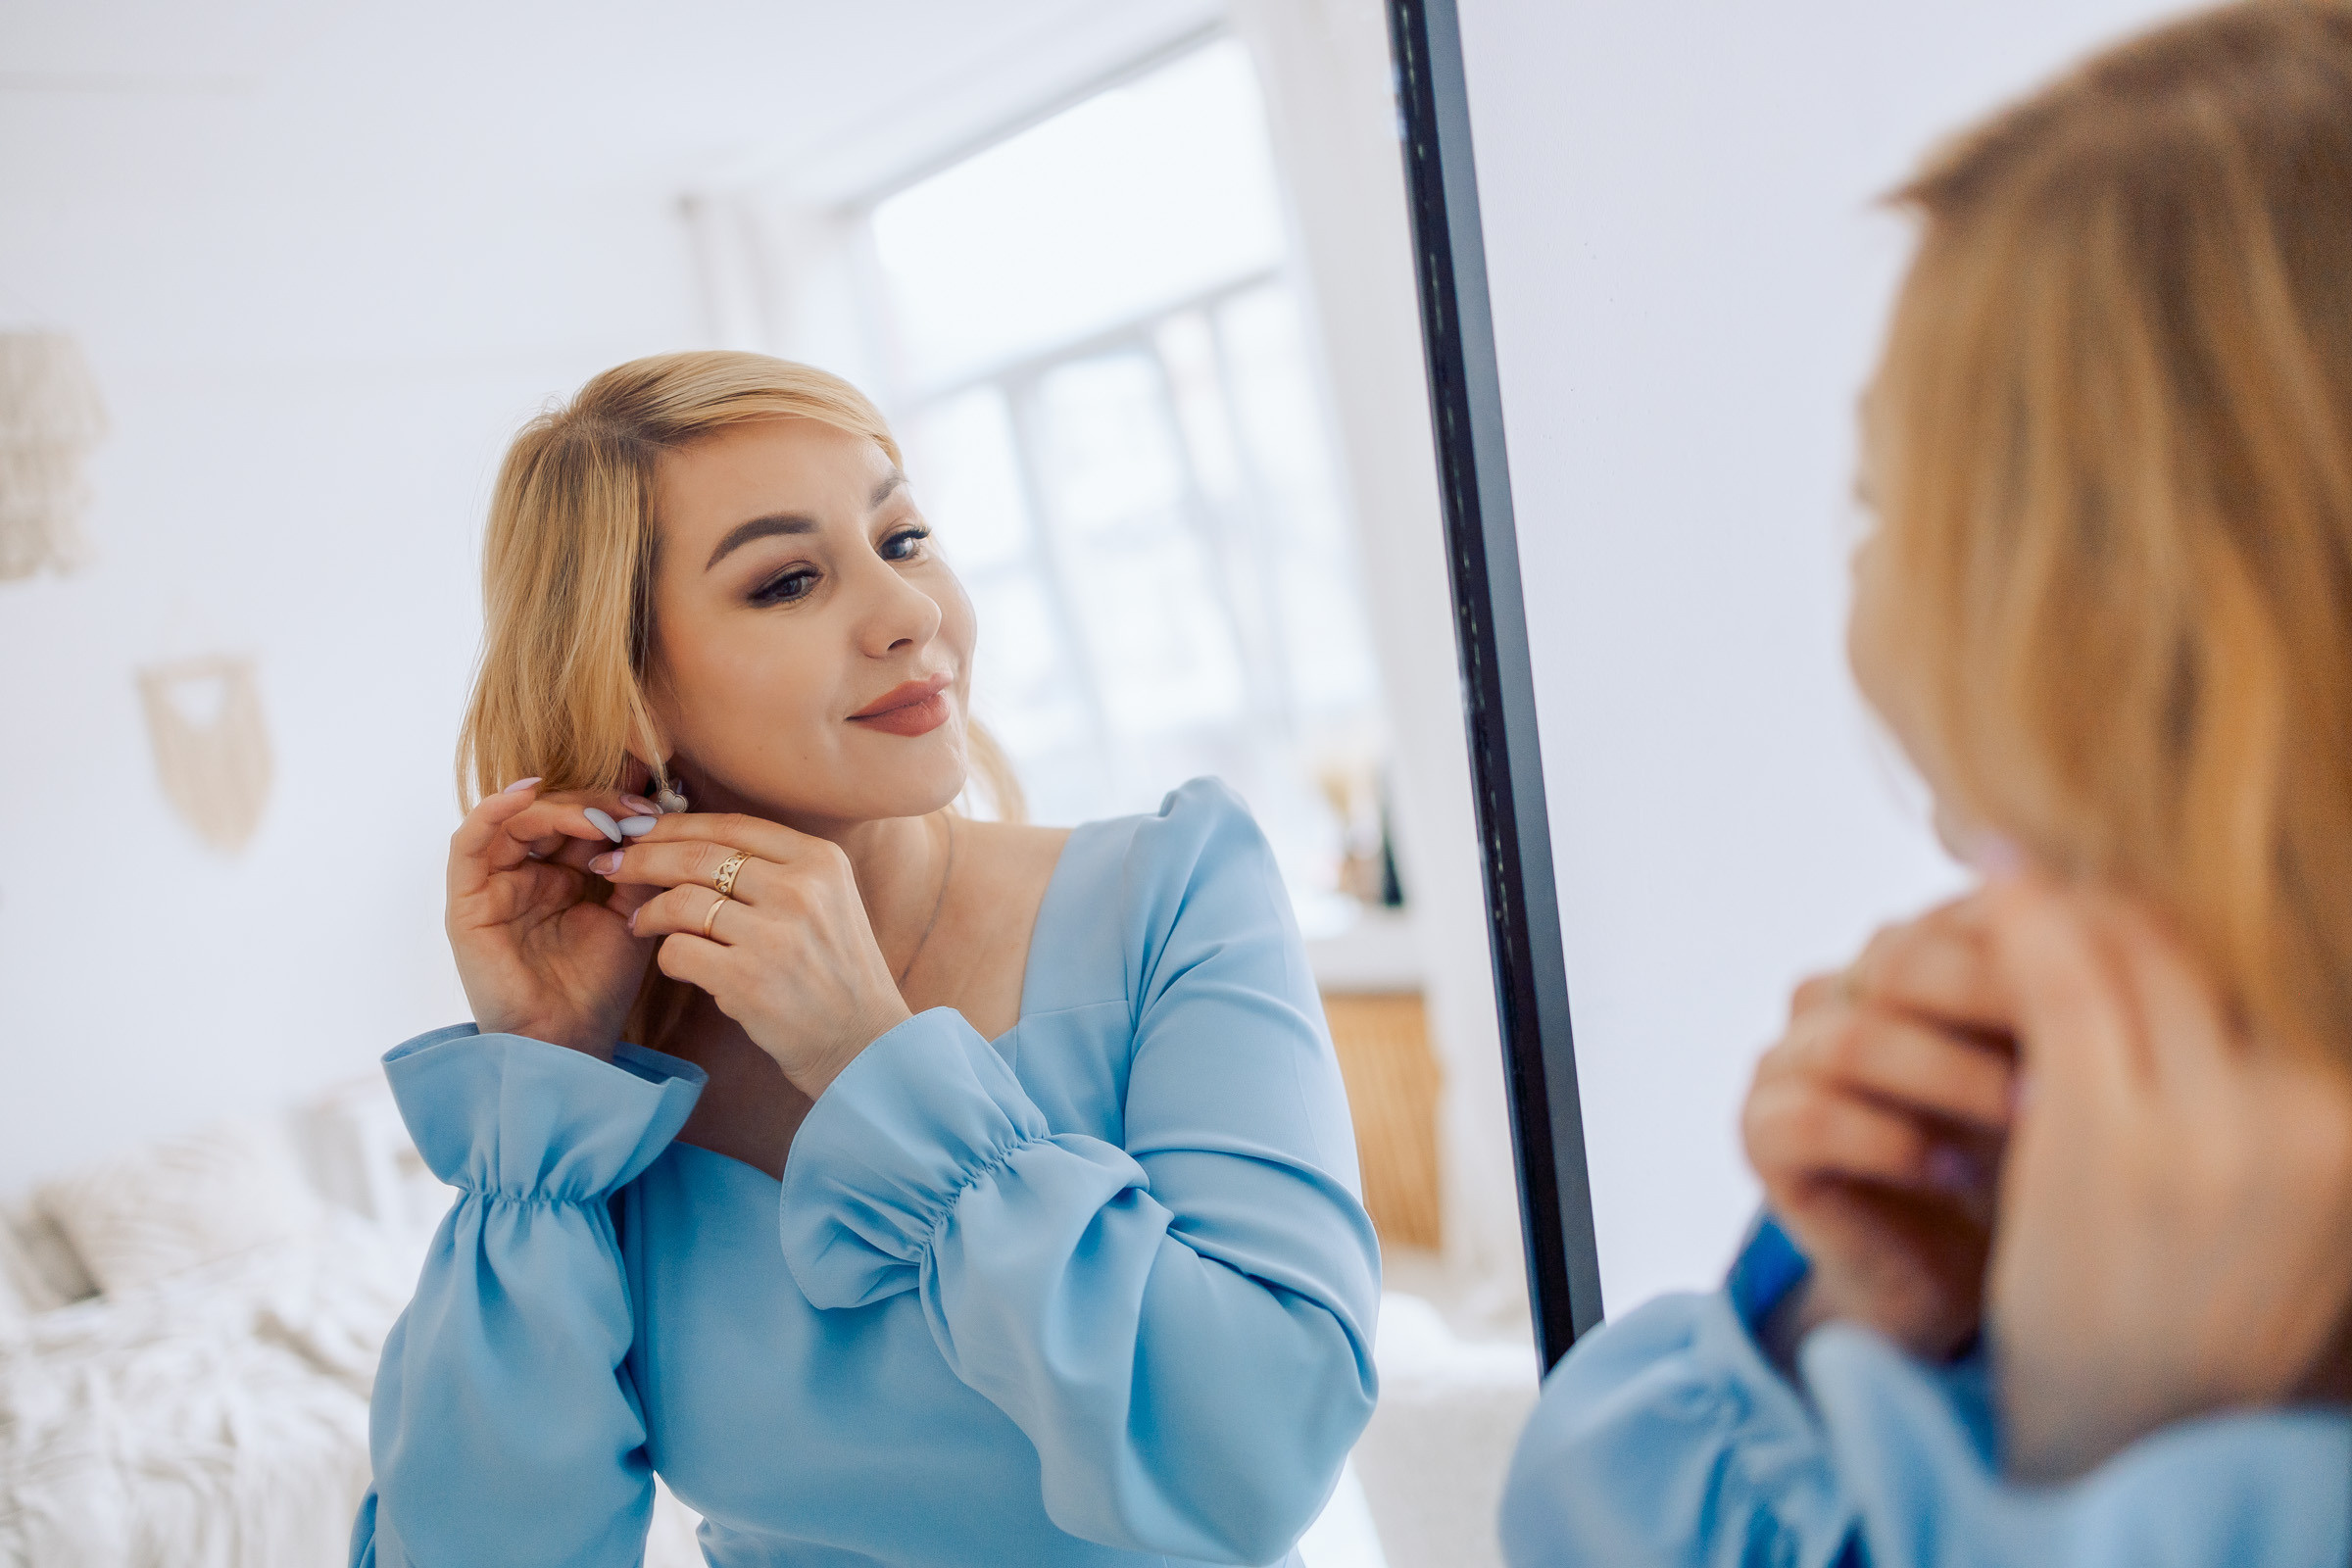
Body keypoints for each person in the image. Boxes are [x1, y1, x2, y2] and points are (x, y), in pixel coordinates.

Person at [1501, 4, 2352, 1563]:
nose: (1880, 620)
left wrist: (2111, 1457)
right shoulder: (2039, 1121)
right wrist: (1850, 1321)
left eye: (1915, 509)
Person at [349, 352, 1381, 1568]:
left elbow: (1261, 1456)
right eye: (788, 580)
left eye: (902, 539)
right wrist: (545, 1080)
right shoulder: (608, 1099)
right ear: (631, 692)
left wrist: (873, 1056)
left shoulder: (1170, 893)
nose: (912, 614)